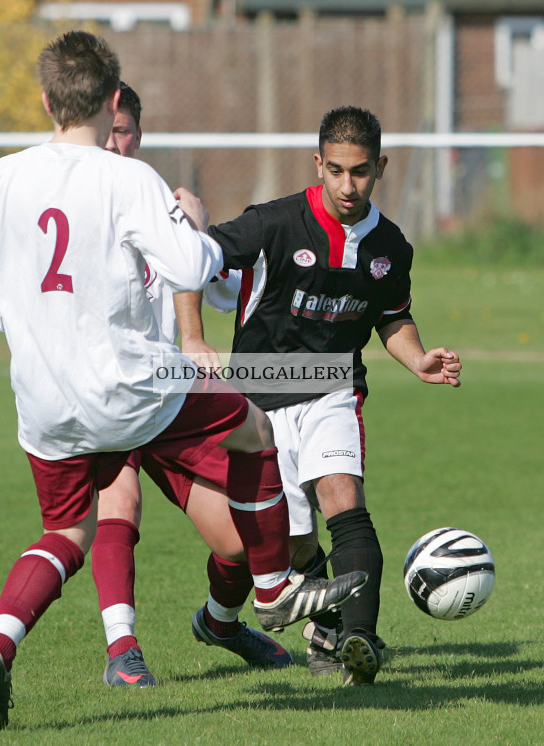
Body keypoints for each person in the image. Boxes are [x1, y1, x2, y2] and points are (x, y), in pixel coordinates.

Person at [0, 31, 366, 729]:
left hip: (43, 407)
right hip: (131, 390)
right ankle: (272, 589)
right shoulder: (130, 179)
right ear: (113, 100)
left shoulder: (4, 176)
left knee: (64, 532)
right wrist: (202, 228)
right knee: (254, 427)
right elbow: (190, 267)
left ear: (45, 101)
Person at [0, 83, 287, 689]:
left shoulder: (154, 199)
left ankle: (221, 623)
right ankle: (124, 650)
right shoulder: (51, 197)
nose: (114, 142)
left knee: (237, 542)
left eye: (125, 132)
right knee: (121, 501)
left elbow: (211, 278)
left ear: (138, 135)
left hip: (166, 397)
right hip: (100, 395)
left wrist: (202, 245)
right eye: (107, 130)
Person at [188, 105, 462, 686]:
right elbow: (192, 263)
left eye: (359, 172)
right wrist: (192, 336)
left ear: (380, 167)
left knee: (344, 499)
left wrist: (418, 359)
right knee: (294, 541)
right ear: (318, 164)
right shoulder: (273, 224)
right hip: (257, 401)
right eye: (335, 170)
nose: (346, 185)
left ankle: (360, 639)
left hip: (332, 387)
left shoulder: (392, 246)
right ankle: (330, 622)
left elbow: (394, 317)